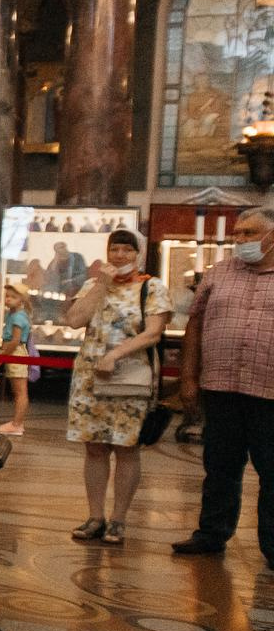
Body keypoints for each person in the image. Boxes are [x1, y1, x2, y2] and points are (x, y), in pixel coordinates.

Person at [171, 205, 274, 568]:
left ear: (271, 236)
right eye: (238, 233)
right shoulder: (219, 273)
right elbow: (194, 326)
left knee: (271, 470)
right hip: (221, 385)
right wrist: (188, 378)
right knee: (220, 466)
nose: (240, 239)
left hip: (269, 392)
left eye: (249, 233)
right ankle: (211, 534)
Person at [63, 228, 167, 545]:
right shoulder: (93, 285)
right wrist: (102, 285)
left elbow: (153, 333)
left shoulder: (152, 287)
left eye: (126, 250)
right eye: (114, 249)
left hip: (129, 376)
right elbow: (75, 320)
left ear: (138, 254)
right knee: (94, 447)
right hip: (91, 377)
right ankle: (96, 516)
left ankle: (119, 519)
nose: (119, 256)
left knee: (125, 447)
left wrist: (115, 354)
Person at [0, 282, 33, 436]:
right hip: (13, 352)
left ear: (22, 300)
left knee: (20, 391)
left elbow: (15, 340)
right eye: (7, 296)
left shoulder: (18, 316)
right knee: (18, 390)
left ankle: (17, 424)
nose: (8, 299)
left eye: (13, 297)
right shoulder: (13, 314)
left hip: (15, 353)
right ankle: (17, 422)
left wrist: (1, 356)